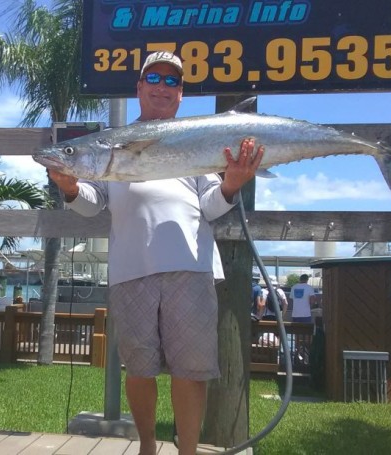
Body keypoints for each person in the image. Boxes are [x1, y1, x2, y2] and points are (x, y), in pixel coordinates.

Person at [47, 51, 263, 455]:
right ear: (140, 88)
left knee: (191, 370)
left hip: (191, 266)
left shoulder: (195, 140)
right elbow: (95, 203)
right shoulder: (113, 142)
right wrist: (71, 186)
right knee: (139, 368)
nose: (162, 88)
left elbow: (212, 206)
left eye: (172, 82)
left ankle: (187, 451)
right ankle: (147, 445)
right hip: (132, 270)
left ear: (180, 94)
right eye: (155, 79)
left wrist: (232, 184)